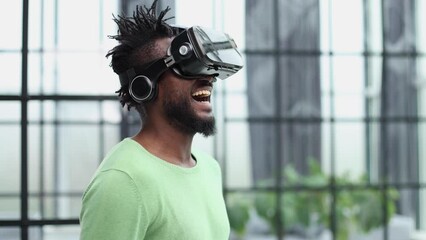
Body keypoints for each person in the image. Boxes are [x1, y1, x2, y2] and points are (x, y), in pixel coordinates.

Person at [79, 1, 243, 239]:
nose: (208, 78)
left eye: (207, 69)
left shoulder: (209, 168)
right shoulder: (122, 181)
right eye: (185, 67)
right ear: (145, 87)